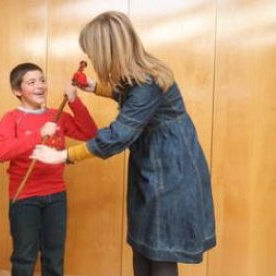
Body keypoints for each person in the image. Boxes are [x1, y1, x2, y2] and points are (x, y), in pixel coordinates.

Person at [30, 11, 216, 276]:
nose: (93, 60)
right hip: (152, 165)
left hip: (171, 171)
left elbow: (118, 135)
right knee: (143, 246)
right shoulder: (140, 75)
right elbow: (128, 94)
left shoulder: (147, 82)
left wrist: (62, 155)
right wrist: (93, 86)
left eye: (93, 53)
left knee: (159, 250)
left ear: (107, 51)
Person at [0, 62, 97, 276]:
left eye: (42, 80)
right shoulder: (11, 118)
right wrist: (36, 135)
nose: (40, 86)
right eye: (31, 82)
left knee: (54, 257)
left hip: (56, 196)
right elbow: (1, 152)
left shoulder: (57, 116)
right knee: (24, 257)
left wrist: (75, 102)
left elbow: (90, 134)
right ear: (16, 90)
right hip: (24, 198)